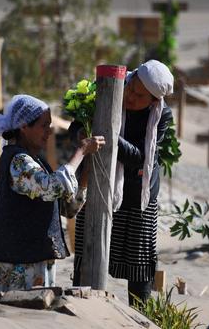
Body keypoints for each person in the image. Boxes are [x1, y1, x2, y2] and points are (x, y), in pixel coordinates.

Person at [73, 59, 174, 305]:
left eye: (139, 96)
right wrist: (82, 134)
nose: (129, 96)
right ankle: (81, 310)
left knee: (139, 266)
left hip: (139, 195)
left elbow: (140, 157)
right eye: (131, 87)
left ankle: (140, 317)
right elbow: (77, 125)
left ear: (154, 101)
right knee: (88, 257)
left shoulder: (161, 116)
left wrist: (109, 133)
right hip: (98, 186)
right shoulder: (108, 89)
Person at [0, 94, 105, 296]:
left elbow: (66, 208)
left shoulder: (36, 161)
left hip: (33, 258)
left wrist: (85, 172)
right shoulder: (17, 161)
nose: (49, 132)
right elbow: (51, 187)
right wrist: (82, 151)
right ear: (24, 126)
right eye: (43, 126)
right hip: (15, 261)